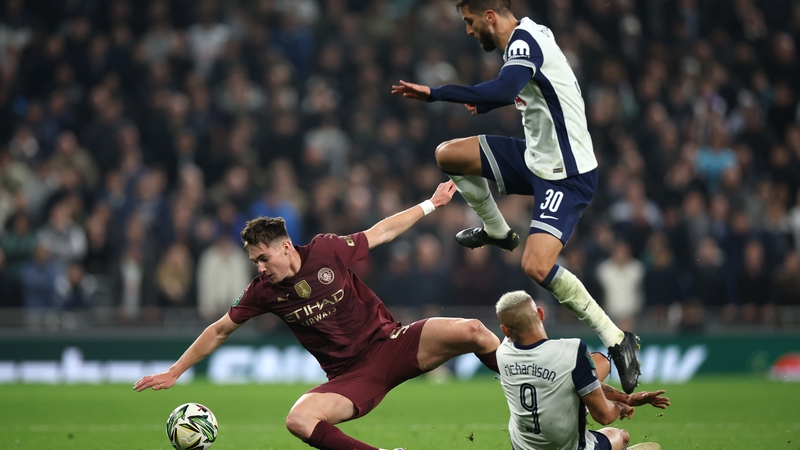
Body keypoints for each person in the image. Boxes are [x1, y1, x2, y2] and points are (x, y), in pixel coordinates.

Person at [134, 180, 502, 450]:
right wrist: (174, 371)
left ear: (285, 246)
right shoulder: (263, 292)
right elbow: (219, 331)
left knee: (474, 330)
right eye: (254, 262)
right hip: (351, 376)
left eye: (264, 259)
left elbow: (381, 232)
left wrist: (431, 204)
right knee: (298, 419)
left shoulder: (326, 250)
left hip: (393, 343)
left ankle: (531, 377)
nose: (260, 268)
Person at [391, 0, 641, 393]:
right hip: (534, 157)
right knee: (448, 154)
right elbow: (521, 88)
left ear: (491, 16)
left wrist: (436, 93)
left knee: (537, 267)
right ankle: (497, 230)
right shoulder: (527, 39)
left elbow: (508, 86)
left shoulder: (525, 42)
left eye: (471, 23)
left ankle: (616, 338)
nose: (469, 32)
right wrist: (489, 100)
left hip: (567, 174)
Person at [494, 290, 670, 450]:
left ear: (505, 330)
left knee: (598, 364)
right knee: (621, 436)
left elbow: (580, 381)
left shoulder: (503, 353)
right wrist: (621, 406)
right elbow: (604, 416)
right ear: (541, 313)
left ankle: (582, 404)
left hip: (522, 447)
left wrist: (626, 398)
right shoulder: (571, 351)